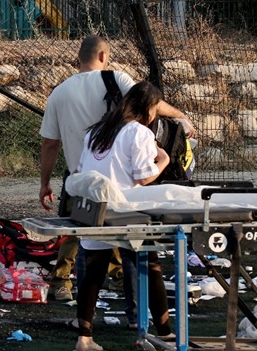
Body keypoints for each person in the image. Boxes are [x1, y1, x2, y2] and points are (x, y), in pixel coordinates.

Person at [40, 36, 192, 314]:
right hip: (120, 181)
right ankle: (138, 310)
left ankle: (67, 291)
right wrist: (181, 117)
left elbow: (50, 143)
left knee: (81, 235)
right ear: (102, 56)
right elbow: (148, 101)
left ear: (79, 57)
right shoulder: (116, 80)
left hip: (81, 178)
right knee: (132, 243)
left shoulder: (59, 92)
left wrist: (44, 183)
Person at [73, 81, 174, 351]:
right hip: (127, 211)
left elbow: (84, 169)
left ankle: (84, 338)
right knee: (150, 267)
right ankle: (165, 333)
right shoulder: (139, 132)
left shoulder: (96, 131)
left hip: (95, 209)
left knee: (93, 272)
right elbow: (143, 177)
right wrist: (162, 160)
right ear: (149, 109)